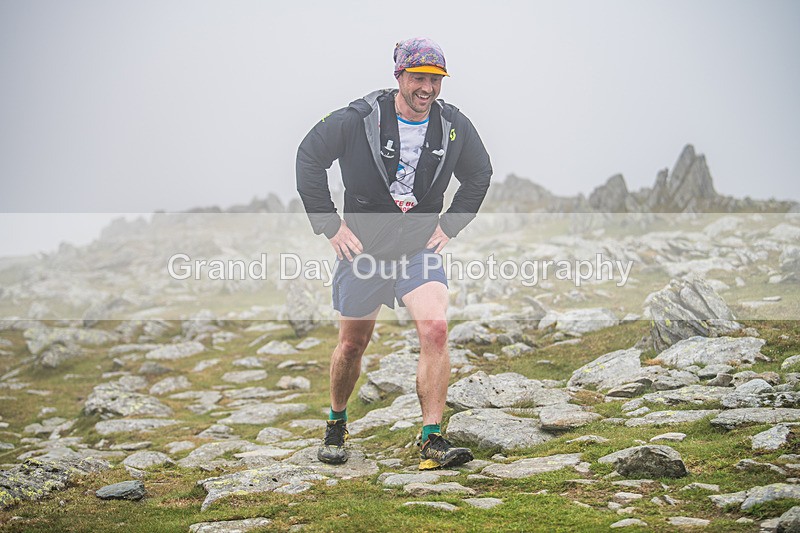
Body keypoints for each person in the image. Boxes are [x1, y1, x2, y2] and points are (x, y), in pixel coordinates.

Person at [296, 37, 492, 470]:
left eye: (436, 80)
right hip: (363, 251)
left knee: (436, 330)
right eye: (419, 78)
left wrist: (450, 224)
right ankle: (336, 422)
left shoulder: (453, 125)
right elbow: (309, 157)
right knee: (351, 345)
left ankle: (432, 439)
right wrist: (330, 224)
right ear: (399, 76)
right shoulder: (358, 118)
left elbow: (480, 173)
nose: (427, 88)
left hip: (417, 250)